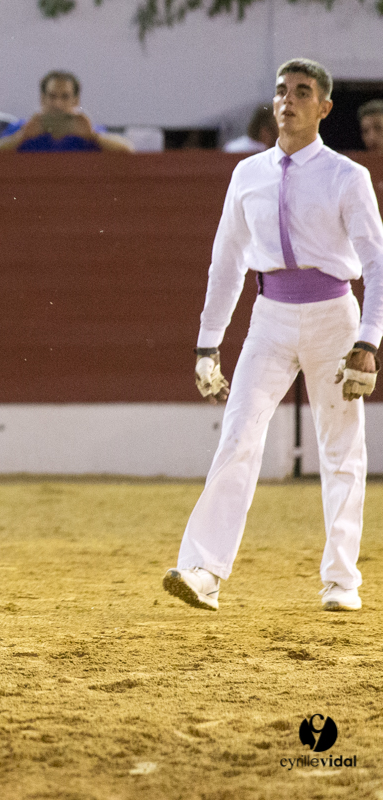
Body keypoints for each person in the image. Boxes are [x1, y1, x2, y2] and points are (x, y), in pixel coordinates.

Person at [163, 58, 383, 614]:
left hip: (335, 314)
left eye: (302, 92)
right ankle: (205, 571)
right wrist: (208, 342)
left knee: (340, 448)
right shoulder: (248, 173)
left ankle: (341, 579)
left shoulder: (347, 176)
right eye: (282, 91)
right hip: (270, 315)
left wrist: (369, 339)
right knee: (237, 436)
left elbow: (378, 264)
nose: (288, 100)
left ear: (324, 108)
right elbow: (227, 260)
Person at [0, 70, 134, 153]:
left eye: (65, 97)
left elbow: (127, 150)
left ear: (76, 100)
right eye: (52, 96)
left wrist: (93, 136)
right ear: (42, 99)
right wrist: (21, 138)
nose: (57, 103)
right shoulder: (24, 127)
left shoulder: (85, 129)